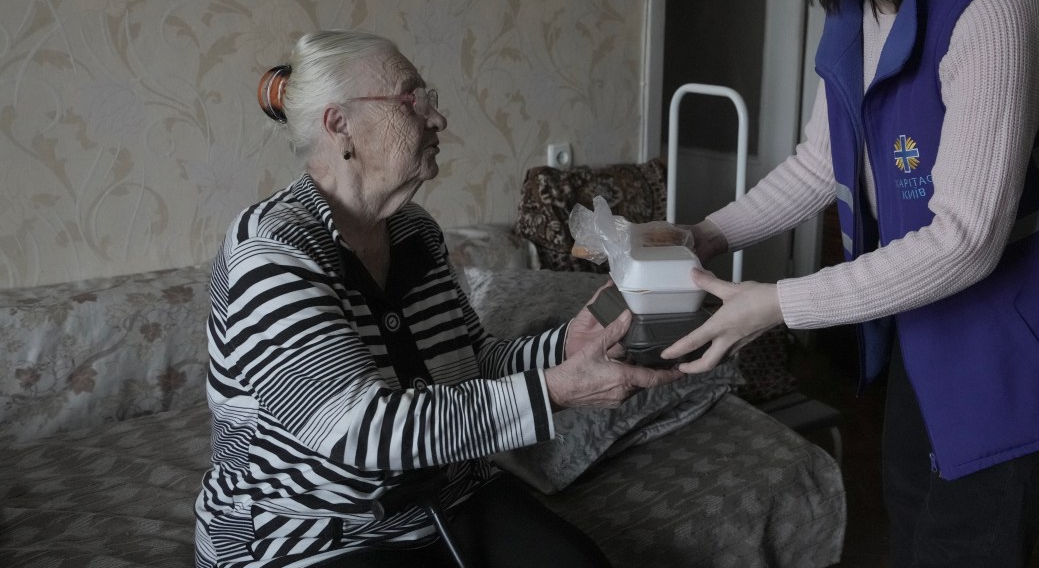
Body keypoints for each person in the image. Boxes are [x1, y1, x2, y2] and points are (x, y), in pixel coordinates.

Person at [659, 0, 1039, 568]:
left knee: (964, 547)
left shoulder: (997, 10)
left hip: (1009, 355)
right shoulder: (857, 12)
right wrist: (705, 233)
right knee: (911, 525)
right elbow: (821, 162)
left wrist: (778, 303)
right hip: (928, 337)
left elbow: (966, 240)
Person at [194, 30, 682, 568]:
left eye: (430, 99)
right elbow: (363, 429)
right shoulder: (272, 252)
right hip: (313, 531)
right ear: (340, 126)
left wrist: (566, 345)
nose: (436, 118)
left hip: (446, 495)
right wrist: (555, 392)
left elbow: (469, 362)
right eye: (412, 99)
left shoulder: (414, 232)